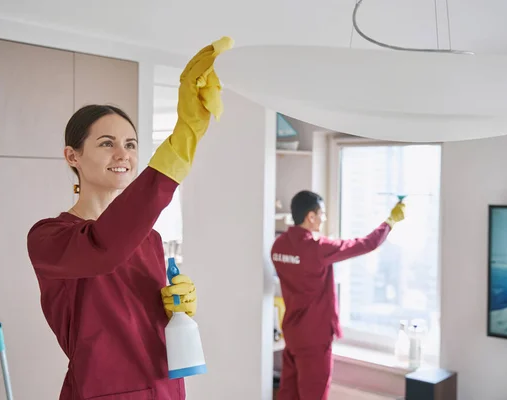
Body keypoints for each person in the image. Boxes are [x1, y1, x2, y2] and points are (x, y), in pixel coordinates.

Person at [26, 36, 233, 400]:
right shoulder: (49, 238)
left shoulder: (149, 238)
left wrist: (176, 310)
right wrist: (181, 144)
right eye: (107, 143)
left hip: (166, 387)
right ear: (72, 156)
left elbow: (144, 319)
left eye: (131, 144)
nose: (122, 153)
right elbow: (104, 247)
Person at [271, 190, 406, 400]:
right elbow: (367, 244)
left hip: (292, 332)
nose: (324, 218)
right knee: (314, 394)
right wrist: (390, 221)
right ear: (311, 217)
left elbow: (300, 271)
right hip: (315, 336)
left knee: (289, 393)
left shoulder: (278, 246)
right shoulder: (318, 248)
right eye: (322, 213)